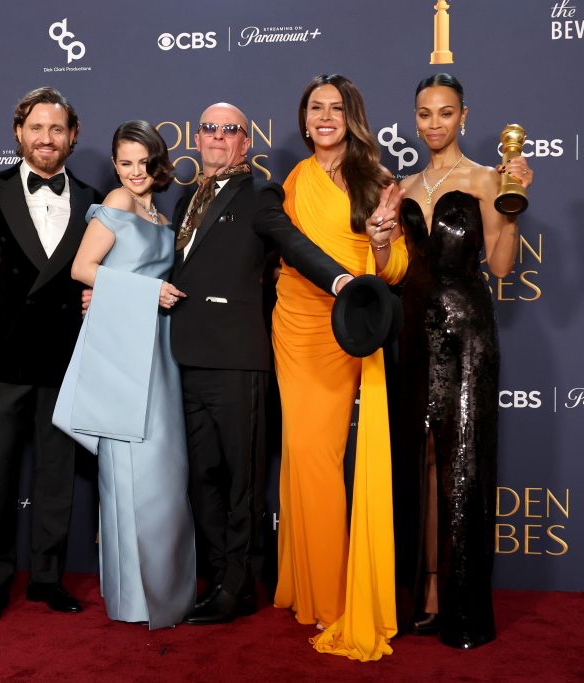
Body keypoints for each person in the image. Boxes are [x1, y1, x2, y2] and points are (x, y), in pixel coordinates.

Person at [170, 102, 351, 626]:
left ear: (245, 143)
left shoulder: (259, 194)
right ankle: (215, 577)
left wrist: (339, 279)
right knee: (202, 477)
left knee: (241, 480)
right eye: (209, 129)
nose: (218, 138)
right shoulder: (184, 198)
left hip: (238, 360)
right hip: (186, 356)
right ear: (197, 138)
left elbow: (293, 243)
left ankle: (240, 585)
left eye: (230, 131)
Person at [394, 72, 533, 649]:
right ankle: (422, 595)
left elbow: (499, 267)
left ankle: (462, 604)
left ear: (464, 116)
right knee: (418, 465)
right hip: (410, 331)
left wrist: (514, 202)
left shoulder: (486, 178)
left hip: (467, 333)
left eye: (444, 113)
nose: (433, 124)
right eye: (424, 114)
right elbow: (395, 269)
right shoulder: (401, 186)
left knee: (464, 466)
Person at [272, 74, 407, 661]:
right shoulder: (294, 180)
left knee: (319, 457)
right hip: (292, 323)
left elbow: (394, 269)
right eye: (315, 108)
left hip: (347, 329)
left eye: (336, 108)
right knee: (302, 455)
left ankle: (331, 599)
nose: (325, 117)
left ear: (351, 117)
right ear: (304, 121)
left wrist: (380, 239)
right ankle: (307, 586)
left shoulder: (377, 181)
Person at [0, 88, 103, 625]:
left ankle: (47, 578)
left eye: (57, 129)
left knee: (56, 476)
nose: (47, 139)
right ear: (18, 133)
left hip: (67, 362)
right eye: (37, 128)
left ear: (73, 136)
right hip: (1, 359)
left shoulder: (95, 200)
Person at [53, 121, 195, 628]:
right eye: (125, 162)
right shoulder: (115, 200)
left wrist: (143, 294)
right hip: (122, 348)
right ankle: (134, 599)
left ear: (157, 162)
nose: (134, 172)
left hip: (160, 348)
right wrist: (144, 292)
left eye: (142, 162)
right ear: (116, 165)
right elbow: (82, 268)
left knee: (163, 472)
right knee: (127, 473)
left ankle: (165, 589)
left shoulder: (161, 212)